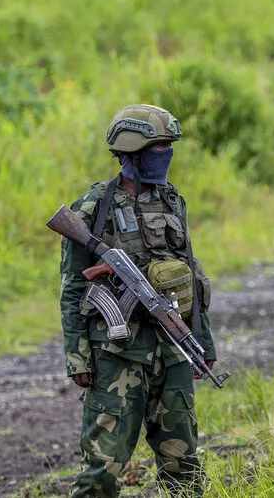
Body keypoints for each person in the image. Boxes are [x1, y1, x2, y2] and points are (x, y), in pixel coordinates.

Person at [59, 104, 217, 497]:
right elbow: (73, 286)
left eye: (169, 145)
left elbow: (190, 275)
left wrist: (203, 343)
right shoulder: (94, 206)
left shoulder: (172, 201)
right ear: (132, 151)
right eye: (159, 145)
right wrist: (78, 357)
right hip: (117, 357)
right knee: (102, 471)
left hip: (174, 350)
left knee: (184, 466)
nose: (167, 152)